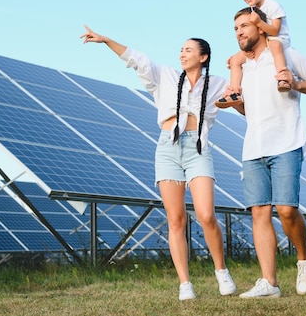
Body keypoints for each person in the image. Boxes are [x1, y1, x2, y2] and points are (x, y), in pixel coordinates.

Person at [80, 25, 236, 301]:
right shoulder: (165, 76)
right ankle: (185, 283)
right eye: (180, 50)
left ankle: (221, 270)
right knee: (175, 219)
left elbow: (243, 81)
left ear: (204, 56)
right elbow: (136, 59)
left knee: (205, 214)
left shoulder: (218, 84)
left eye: (188, 49)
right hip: (167, 148)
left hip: (197, 148)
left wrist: (237, 62)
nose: (182, 54)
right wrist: (106, 41)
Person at [228, 7, 306, 298]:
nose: (240, 32)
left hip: (287, 142)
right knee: (259, 213)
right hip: (253, 148)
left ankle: (303, 259)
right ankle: (269, 283)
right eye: (236, 29)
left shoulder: (285, 53)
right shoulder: (242, 68)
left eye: (245, 26)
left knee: (286, 209)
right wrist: (234, 102)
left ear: (261, 27)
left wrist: (296, 83)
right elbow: (250, 111)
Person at [216, 0, 292, 109]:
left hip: (278, 40)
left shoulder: (272, 5)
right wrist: (246, 51)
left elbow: (275, 30)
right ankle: (234, 92)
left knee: (275, 46)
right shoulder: (252, 9)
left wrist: (259, 23)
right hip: (263, 43)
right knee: (235, 60)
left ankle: (282, 78)